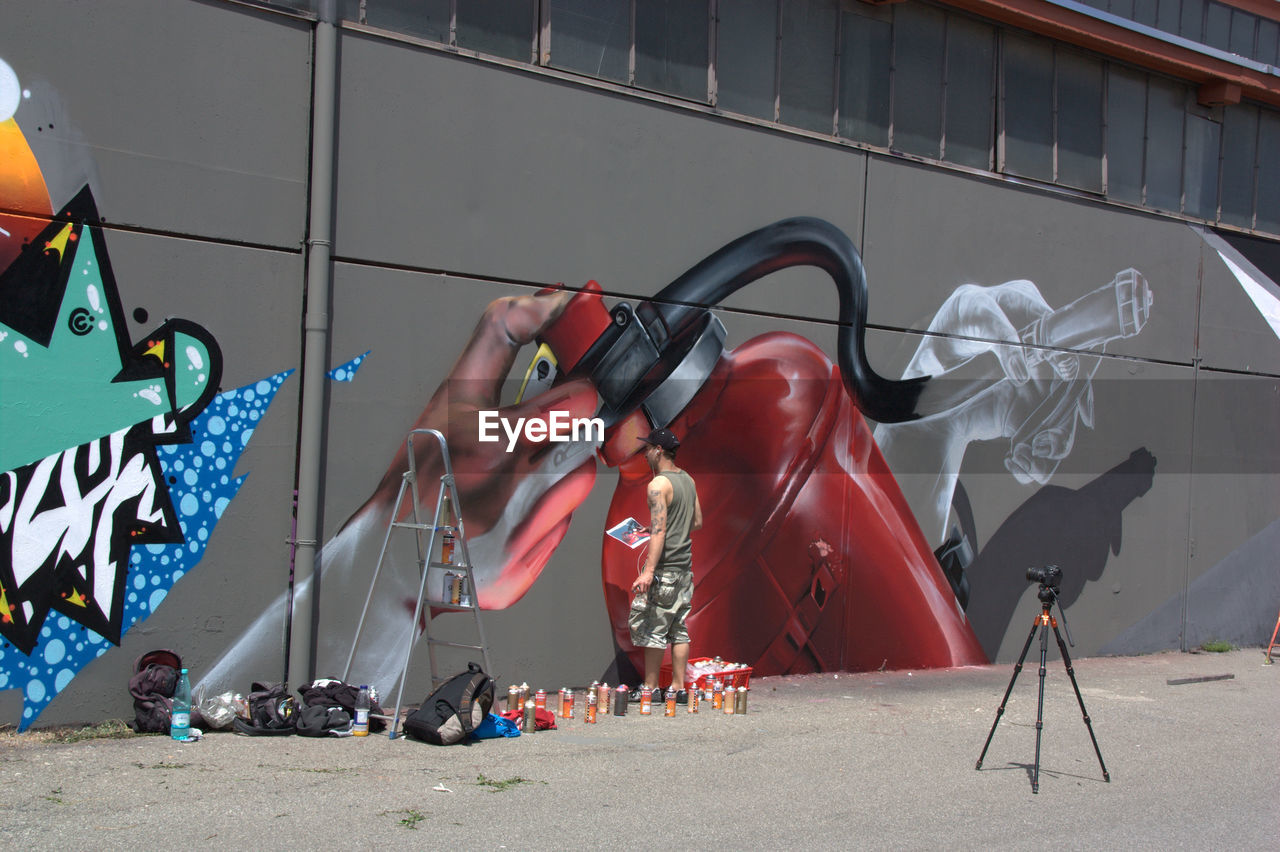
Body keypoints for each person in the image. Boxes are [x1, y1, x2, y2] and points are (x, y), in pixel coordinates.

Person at [628, 427, 703, 703]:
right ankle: (678, 688)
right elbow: (696, 522)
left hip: (666, 570)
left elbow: (659, 532)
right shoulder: (688, 480)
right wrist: (667, 528)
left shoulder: (658, 486)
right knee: (679, 629)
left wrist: (648, 572)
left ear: (659, 451)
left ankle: (649, 688)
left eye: (647, 449)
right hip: (685, 569)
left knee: (654, 628)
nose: (645, 454)